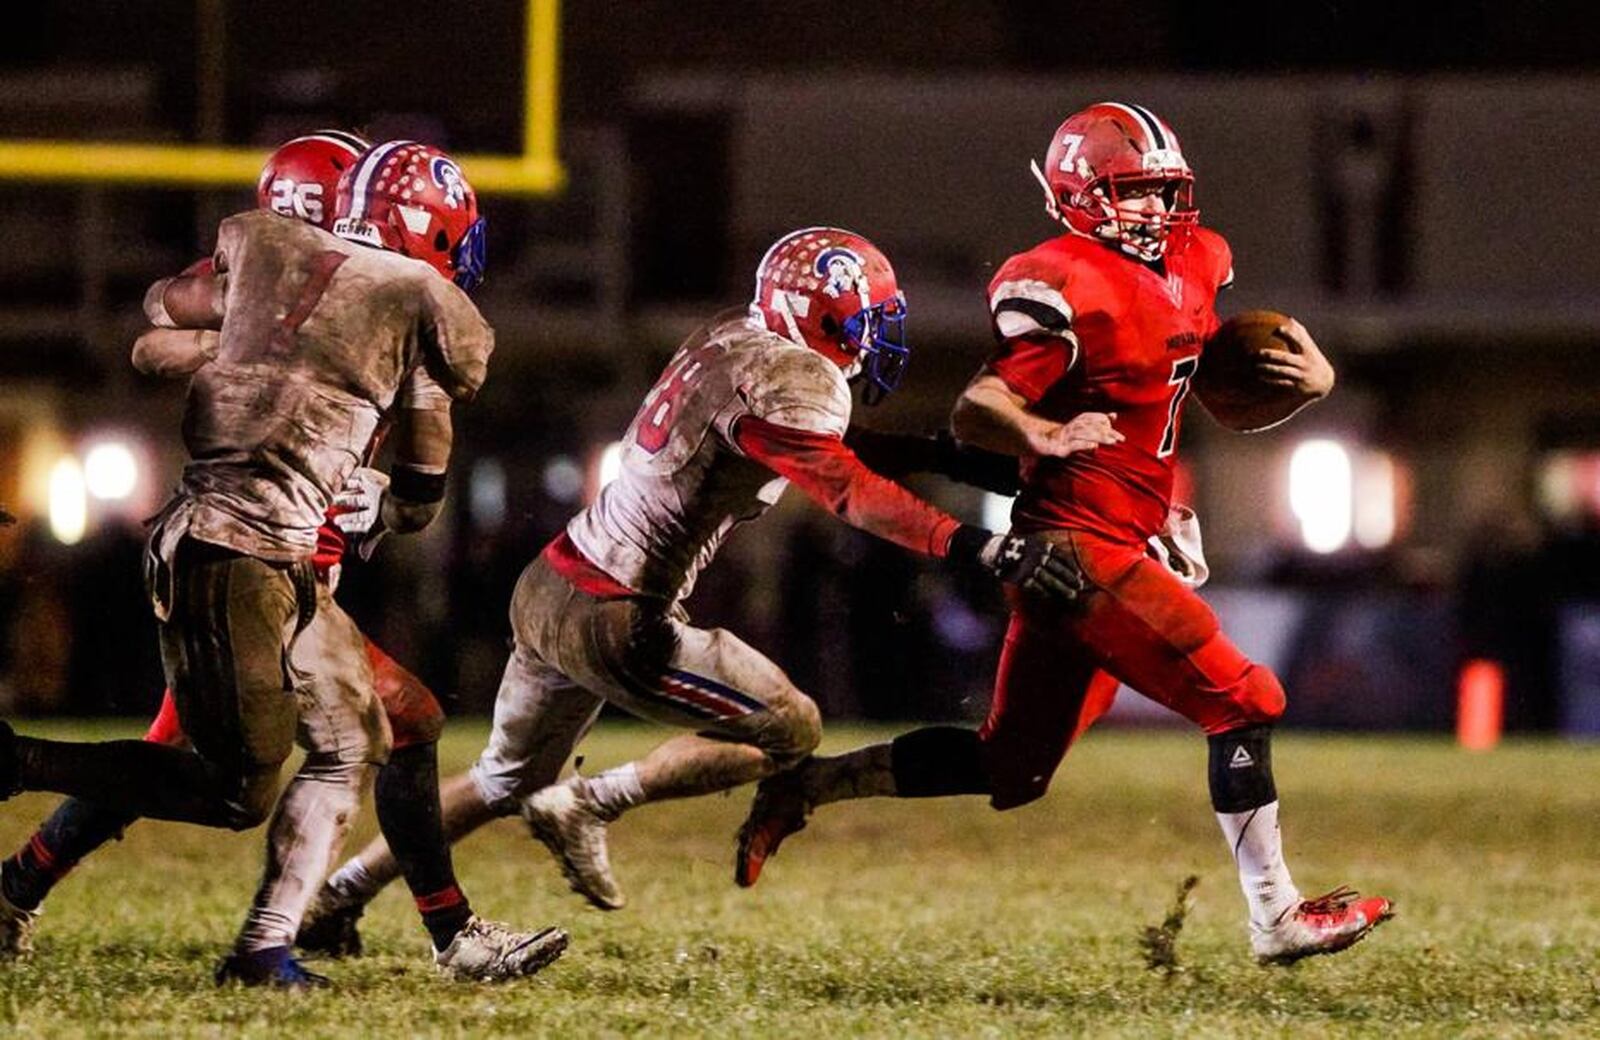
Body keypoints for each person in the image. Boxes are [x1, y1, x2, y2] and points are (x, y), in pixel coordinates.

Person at [734, 103, 1393, 966]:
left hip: (1120, 535)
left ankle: (807, 787)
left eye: (1162, 193)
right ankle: (1276, 916)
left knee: (1012, 767)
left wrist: (1312, 380)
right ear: (1080, 195)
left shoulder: (1199, 260)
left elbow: (1172, 381)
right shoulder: (1060, 282)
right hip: (1073, 548)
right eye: (1133, 194)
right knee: (1244, 698)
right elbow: (981, 403)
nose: (1155, 213)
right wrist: (1040, 434)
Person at [293, 226, 1079, 949]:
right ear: (819, 319)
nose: (873, 338)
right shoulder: (791, 380)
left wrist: (941, 455)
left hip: (552, 579)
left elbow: (832, 450)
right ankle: (591, 801)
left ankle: (337, 896)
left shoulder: (735, 339)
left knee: (503, 776)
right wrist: (978, 544)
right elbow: (846, 488)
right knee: (790, 728)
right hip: (616, 612)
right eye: (860, 320)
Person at [0, 137, 563, 984]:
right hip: (251, 554)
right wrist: (249, 351)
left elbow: (163, 321)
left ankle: (386, 936)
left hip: (283, 564)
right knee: (225, 777)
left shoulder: (326, 282)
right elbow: (158, 332)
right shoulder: (380, 293)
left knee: (386, 724)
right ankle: (302, 939)